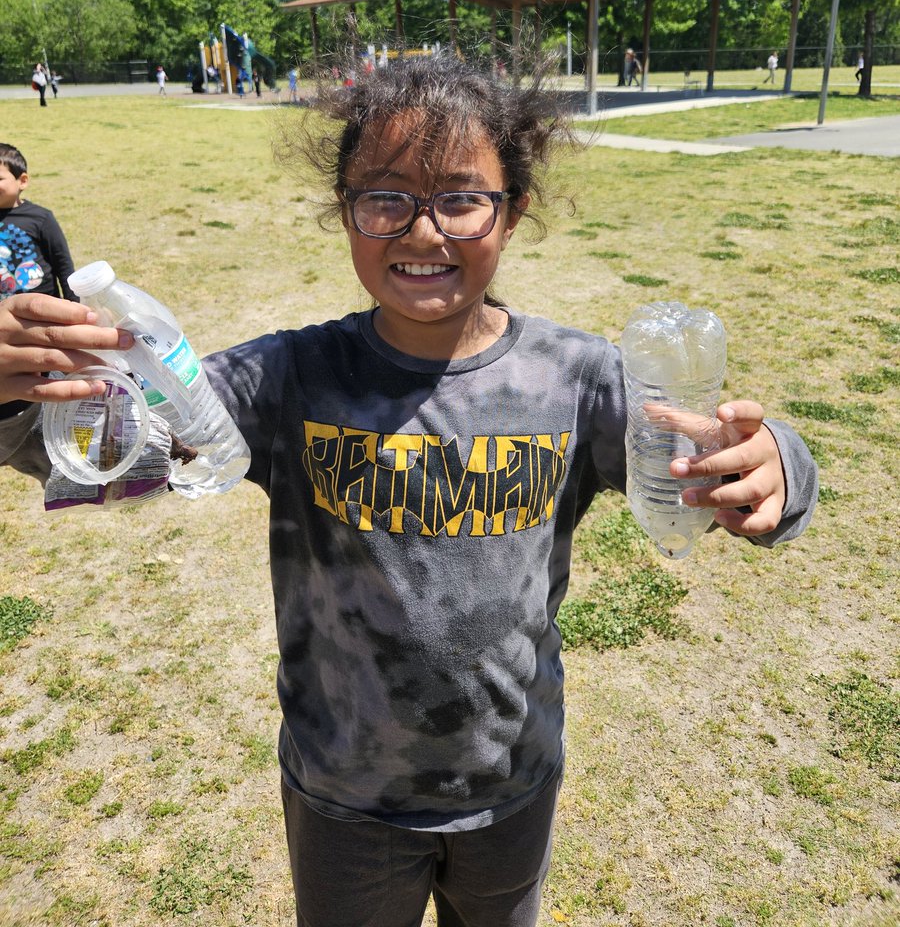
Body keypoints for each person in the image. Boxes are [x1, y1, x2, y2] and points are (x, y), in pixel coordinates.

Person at [0, 55, 818, 927]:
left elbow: (726, 465)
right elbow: (118, 455)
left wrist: (773, 466)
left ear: (516, 209)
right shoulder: (294, 377)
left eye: (462, 198)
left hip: (511, 782)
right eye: (385, 198)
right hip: (345, 796)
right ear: (344, 211)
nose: (423, 233)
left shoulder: (575, 380)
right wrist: (23, 393)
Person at [0, 142, 77, 305]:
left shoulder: (40, 218)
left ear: (22, 181)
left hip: (44, 308)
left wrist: (75, 304)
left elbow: (63, 266)